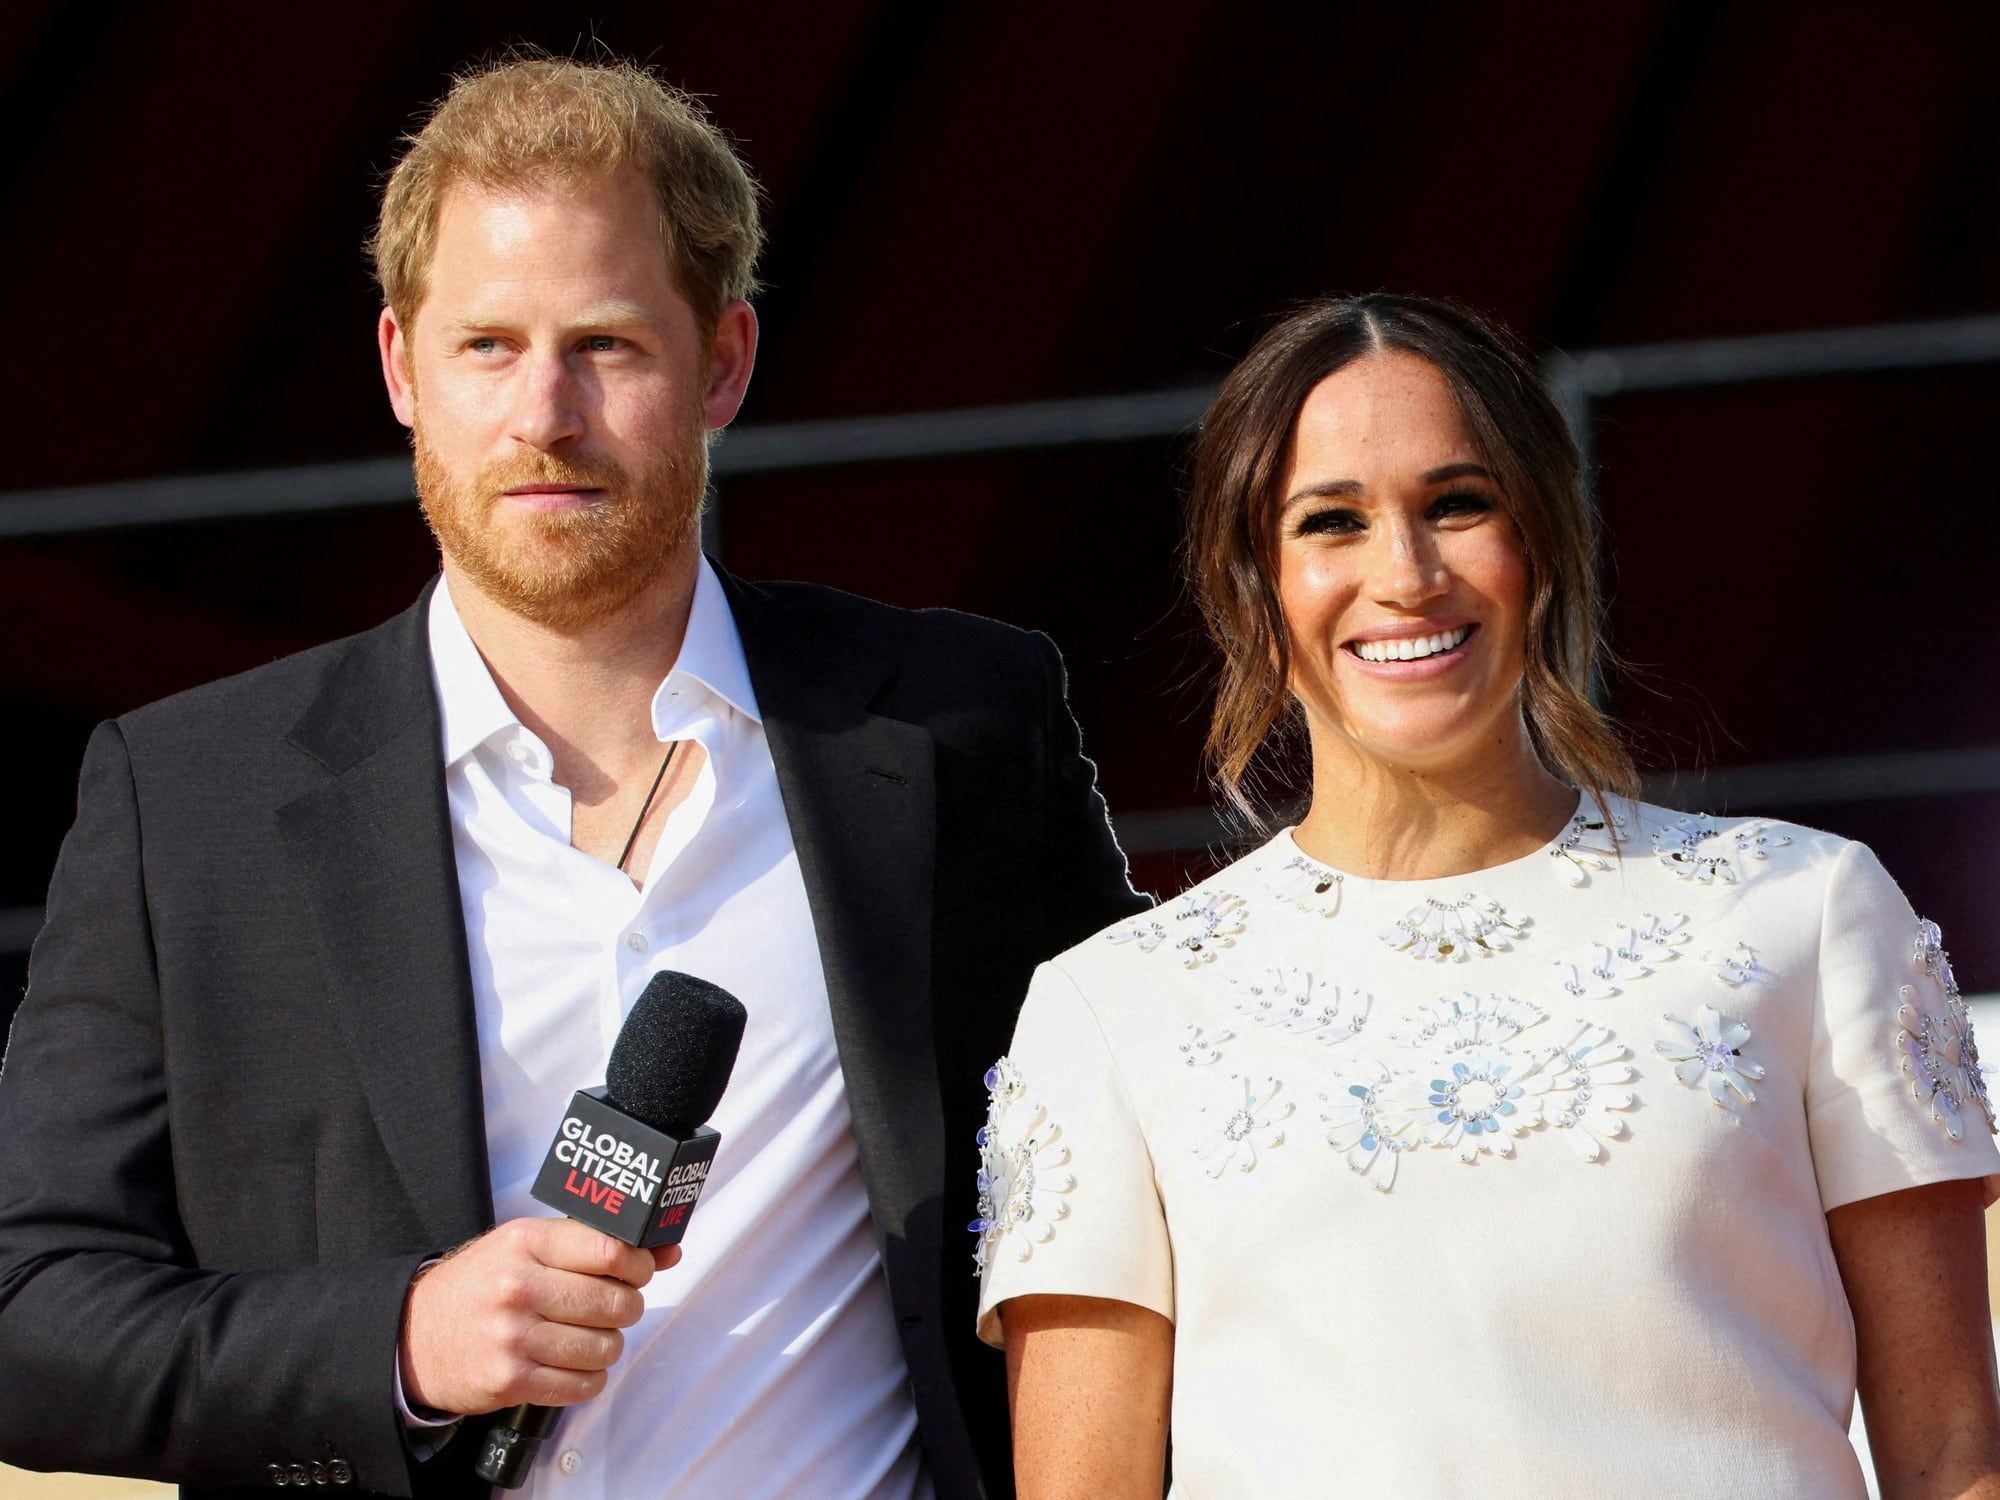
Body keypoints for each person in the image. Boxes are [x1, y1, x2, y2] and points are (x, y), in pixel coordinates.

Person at [0, 57, 1144, 1500]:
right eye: (487, 347)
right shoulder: (189, 801)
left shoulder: (956, 728)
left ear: (723, 362)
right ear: (403, 369)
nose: (544, 414)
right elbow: (26, 1318)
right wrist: (398, 1341)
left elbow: (1161, 1125)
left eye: (605, 345)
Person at [972, 292, 2000, 1497]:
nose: (1403, 573)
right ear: (1249, 582)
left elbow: (1951, 1462)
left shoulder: (1804, 911)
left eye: (1456, 504)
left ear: (1545, 543)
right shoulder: (1112, 1010)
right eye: (1331, 522)